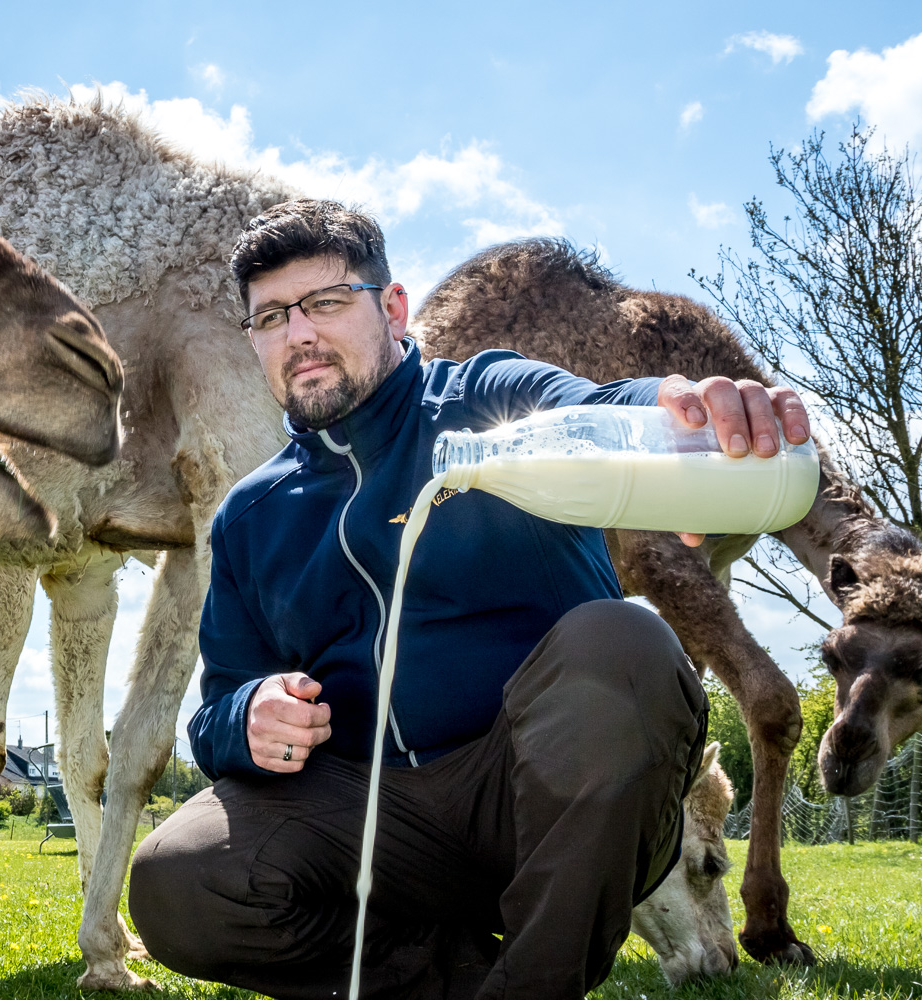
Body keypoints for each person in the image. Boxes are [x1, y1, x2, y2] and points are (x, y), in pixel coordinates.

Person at [127, 200, 809, 1000]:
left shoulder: (489, 403)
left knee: (625, 645)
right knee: (176, 880)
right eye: (272, 316)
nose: (299, 334)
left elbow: (606, 408)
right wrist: (248, 717)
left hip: (543, 801)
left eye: (326, 303)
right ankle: (467, 975)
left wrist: (692, 410)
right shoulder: (251, 514)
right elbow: (213, 717)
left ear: (393, 308)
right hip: (374, 821)